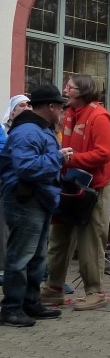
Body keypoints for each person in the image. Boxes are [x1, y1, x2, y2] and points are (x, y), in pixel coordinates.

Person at [41, 74, 110, 311]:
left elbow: (105, 154)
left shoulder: (99, 116)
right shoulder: (70, 114)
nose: (65, 89)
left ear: (82, 91)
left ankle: (95, 291)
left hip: (94, 187)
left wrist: (68, 161)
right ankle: (54, 288)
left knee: (90, 240)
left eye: (70, 87)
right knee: (59, 236)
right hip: (71, 185)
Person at [0, 85, 67, 326]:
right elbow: (26, 167)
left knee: (37, 257)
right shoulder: (29, 131)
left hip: (38, 199)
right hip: (25, 199)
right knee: (21, 257)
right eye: (60, 106)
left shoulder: (40, 129)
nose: (63, 111)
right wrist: (58, 157)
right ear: (50, 106)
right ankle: (11, 308)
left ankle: (29, 303)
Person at [0, 95, 30, 284]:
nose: (26, 107)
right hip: (6, 184)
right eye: (22, 105)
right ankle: (4, 269)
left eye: (29, 104)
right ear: (11, 112)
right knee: (5, 228)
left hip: (26, 186)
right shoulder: (3, 131)